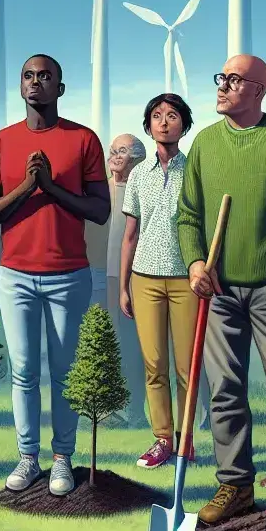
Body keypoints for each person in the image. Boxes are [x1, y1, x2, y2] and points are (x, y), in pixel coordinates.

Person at [177, 55, 266, 528]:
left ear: (259, 90)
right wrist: (197, 262)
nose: (222, 87)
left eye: (234, 80)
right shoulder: (204, 143)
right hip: (218, 289)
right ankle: (235, 484)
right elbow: (188, 215)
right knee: (223, 388)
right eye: (221, 77)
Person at [0, 55, 109, 498]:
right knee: (24, 370)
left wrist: (51, 188)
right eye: (28, 76)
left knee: (65, 371)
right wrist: (27, 187)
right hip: (15, 276)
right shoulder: (1, 142)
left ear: (60, 88)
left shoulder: (83, 139)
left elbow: (100, 209)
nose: (36, 82)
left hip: (69, 274)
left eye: (45, 76)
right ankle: (28, 456)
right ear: (20, 86)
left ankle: (62, 458)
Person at [121, 95, 203, 469]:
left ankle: (187, 440)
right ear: (148, 125)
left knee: (187, 365)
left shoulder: (197, 170)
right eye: (156, 116)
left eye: (172, 116)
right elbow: (130, 234)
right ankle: (162, 439)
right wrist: (124, 286)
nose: (164, 122)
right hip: (145, 278)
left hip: (186, 278)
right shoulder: (139, 174)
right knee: (154, 364)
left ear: (184, 125)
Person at [97, 132, 146, 429]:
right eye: (113, 150)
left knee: (130, 347)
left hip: (131, 278)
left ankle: (135, 410)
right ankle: (104, 411)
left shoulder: (141, 188)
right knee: (103, 343)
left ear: (137, 158)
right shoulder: (101, 190)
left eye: (123, 150)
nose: (115, 155)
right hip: (100, 275)